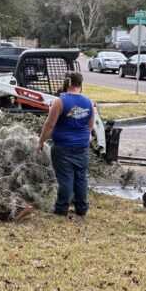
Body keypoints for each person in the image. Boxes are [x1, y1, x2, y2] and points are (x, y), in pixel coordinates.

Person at [37, 71, 94, 218]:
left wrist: (41, 141)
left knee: (66, 179)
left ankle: (61, 209)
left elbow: (49, 125)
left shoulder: (60, 102)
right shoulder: (89, 102)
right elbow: (89, 126)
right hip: (82, 147)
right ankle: (82, 208)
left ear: (66, 83)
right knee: (81, 178)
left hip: (63, 148)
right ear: (80, 85)